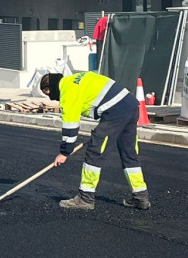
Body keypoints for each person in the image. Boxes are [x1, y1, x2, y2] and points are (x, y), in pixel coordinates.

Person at [39, 71, 150, 211]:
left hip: (115, 110)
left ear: (48, 89)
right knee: (129, 153)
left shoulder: (68, 91)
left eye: (47, 93)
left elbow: (71, 125)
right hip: (130, 105)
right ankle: (141, 197)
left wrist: (64, 152)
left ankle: (85, 198)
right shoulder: (75, 78)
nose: (51, 98)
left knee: (95, 151)